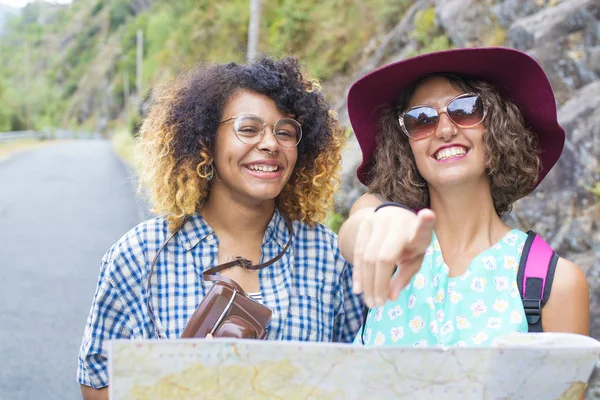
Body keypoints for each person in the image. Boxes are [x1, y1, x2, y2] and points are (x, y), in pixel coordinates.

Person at [78, 57, 363, 399]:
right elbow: (98, 379)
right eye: (248, 128)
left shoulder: (328, 256)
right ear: (205, 143)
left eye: (284, 132)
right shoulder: (139, 255)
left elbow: (358, 372)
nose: (271, 143)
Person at [338, 47, 589, 347]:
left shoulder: (554, 282)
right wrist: (382, 222)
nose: (445, 130)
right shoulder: (387, 237)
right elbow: (359, 231)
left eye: (466, 109)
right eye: (421, 120)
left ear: (496, 127)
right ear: (405, 146)